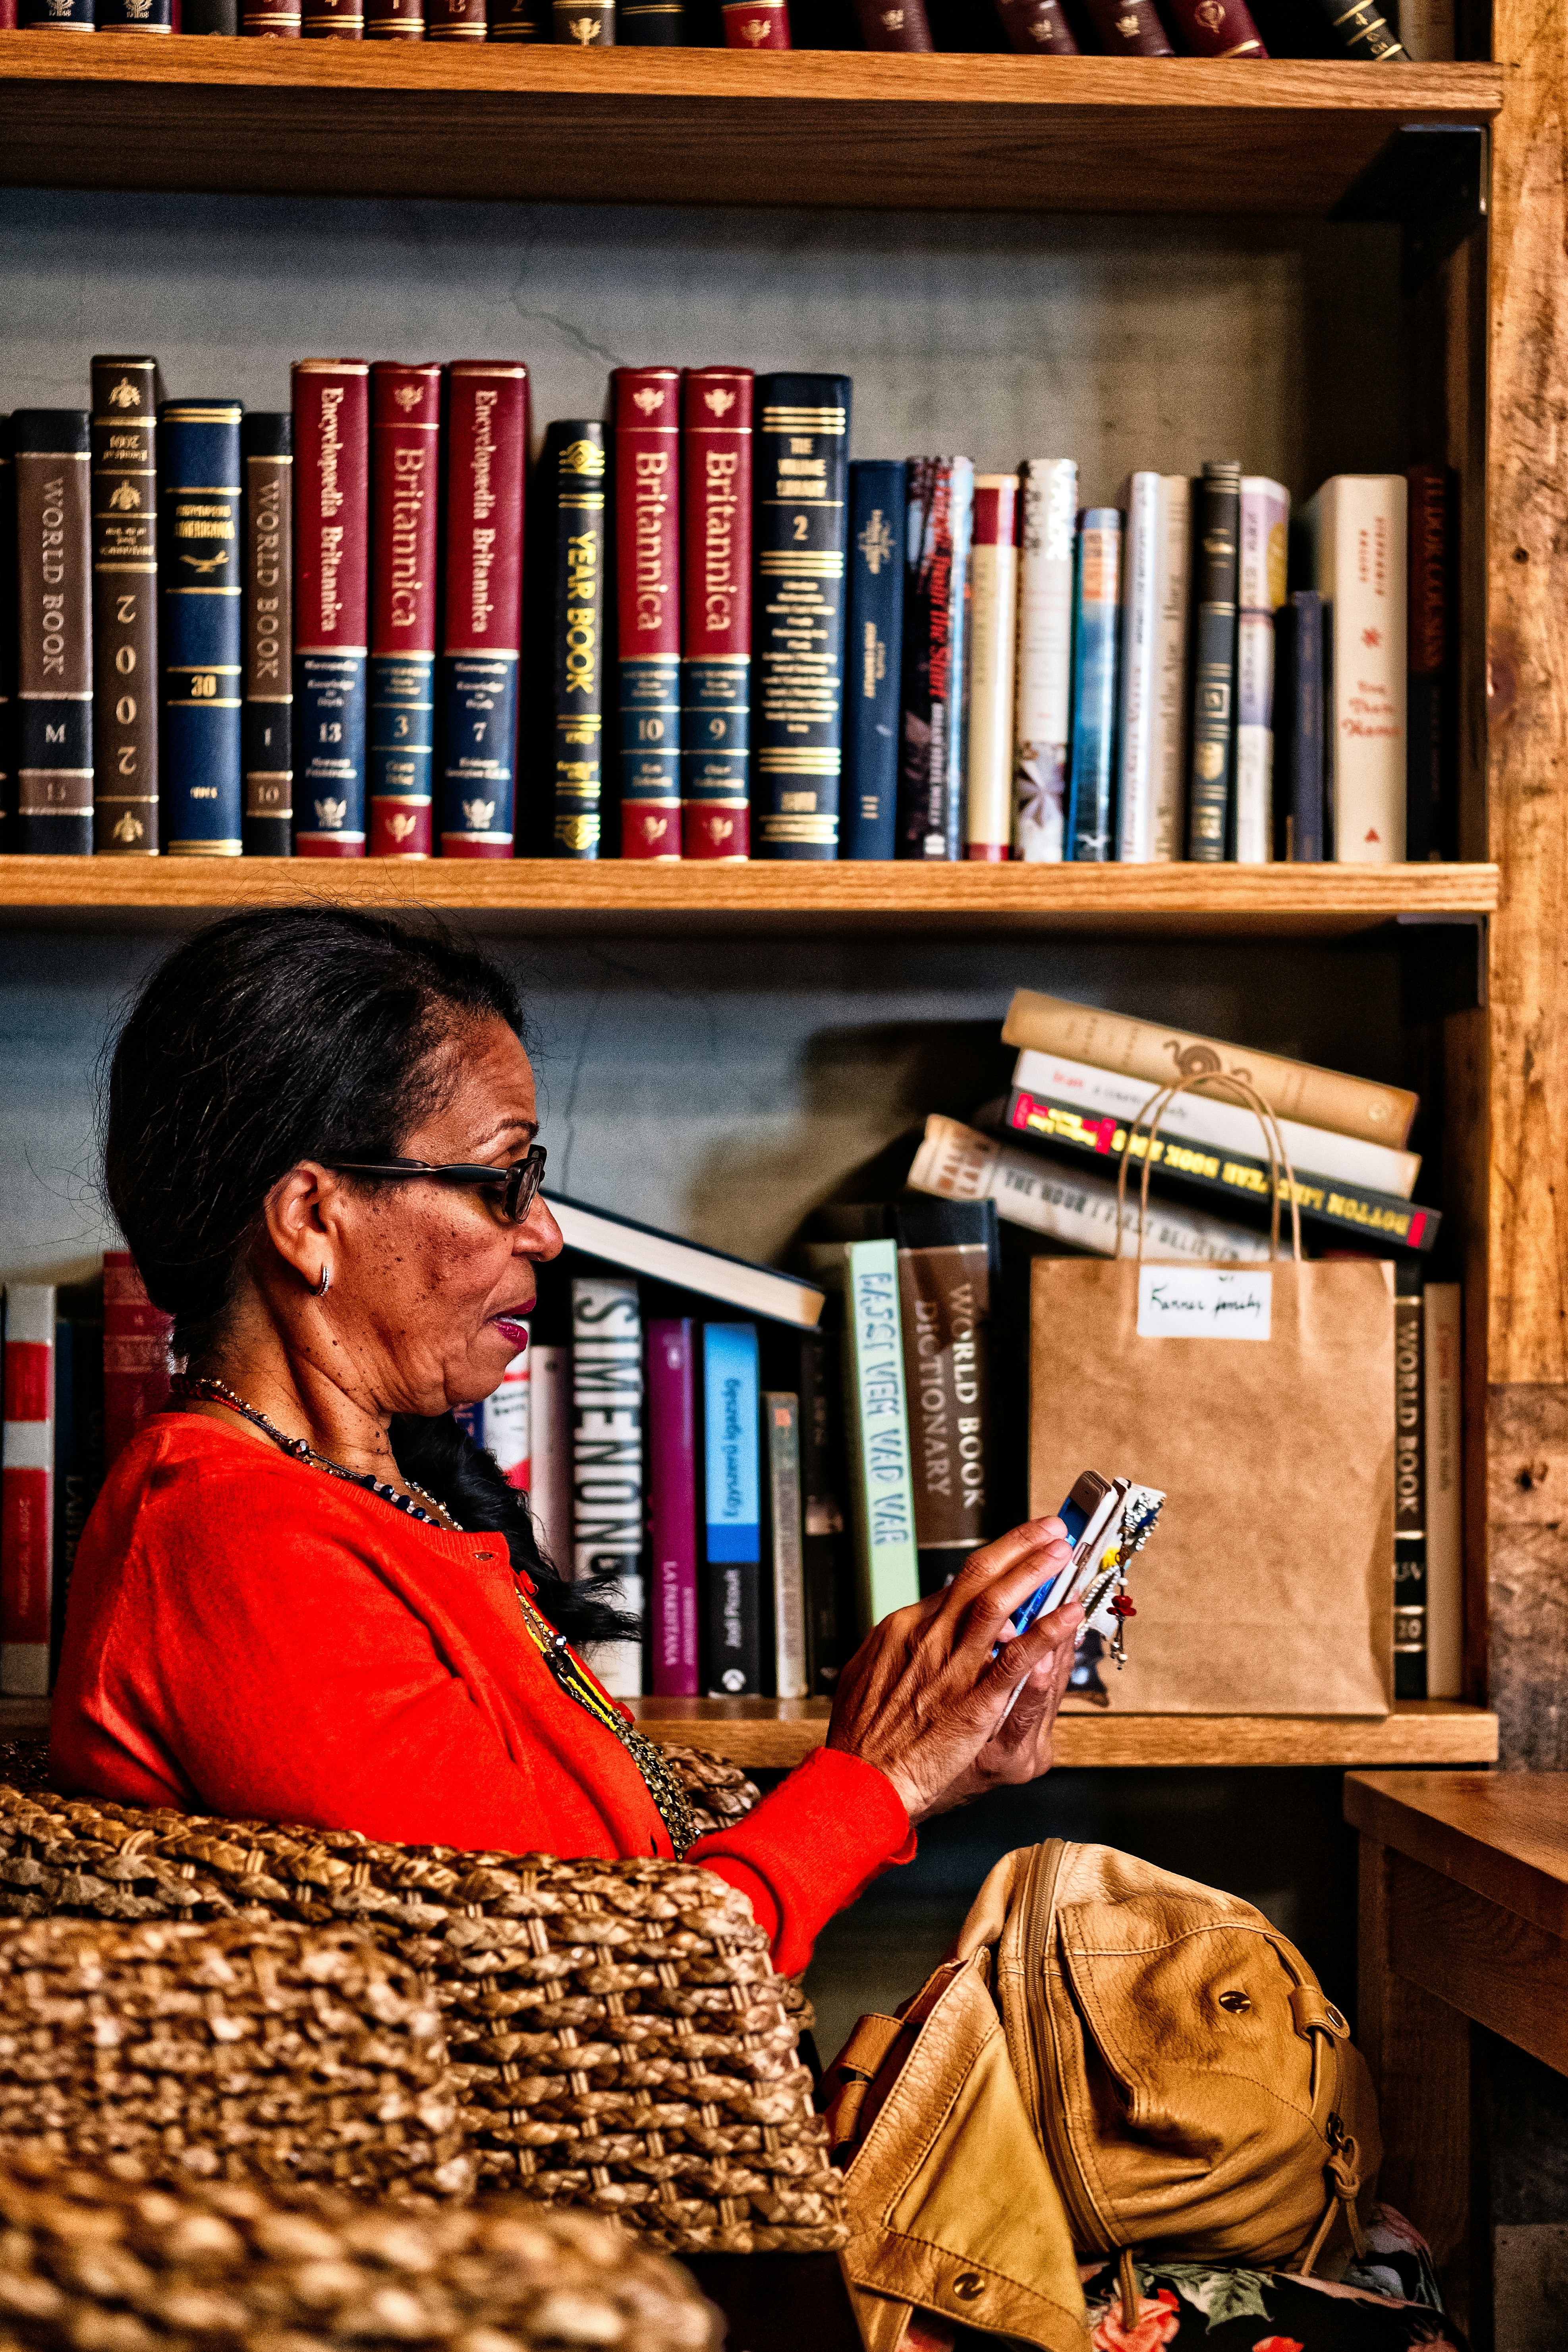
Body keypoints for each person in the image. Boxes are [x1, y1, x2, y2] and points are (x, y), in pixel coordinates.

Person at [51, 909, 1082, 1976]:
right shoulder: (239, 1541)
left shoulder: (356, 1498)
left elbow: (601, 1892)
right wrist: (883, 1777)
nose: (545, 1229)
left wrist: (928, 1753)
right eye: (505, 1179)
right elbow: (597, 1978)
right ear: (312, 1217)